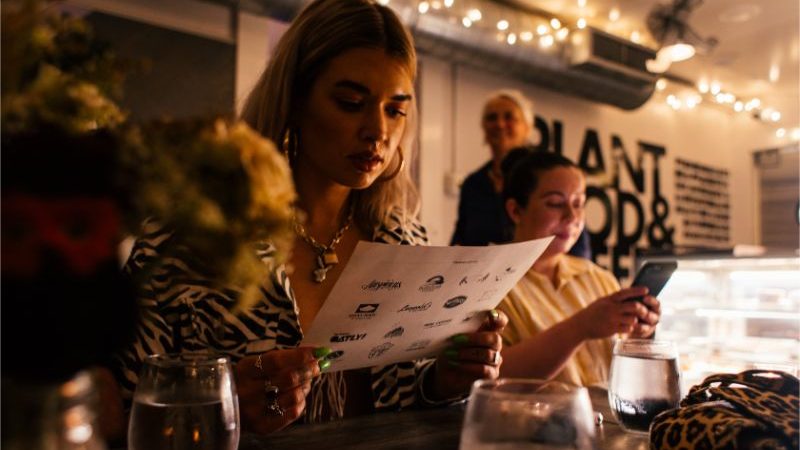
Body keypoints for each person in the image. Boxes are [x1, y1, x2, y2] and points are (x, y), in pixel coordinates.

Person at [111, 0, 506, 437]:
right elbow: (120, 409)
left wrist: (444, 383)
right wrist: (219, 408)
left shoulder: (404, 238)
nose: (377, 131)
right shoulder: (195, 233)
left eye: (395, 109)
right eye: (351, 102)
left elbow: (406, 401)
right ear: (295, 100)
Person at [496, 149, 660, 386]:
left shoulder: (598, 278)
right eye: (555, 203)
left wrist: (641, 333)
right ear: (515, 210)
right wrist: (581, 327)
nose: (572, 216)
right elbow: (492, 374)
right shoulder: (489, 284)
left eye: (579, 203)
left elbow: (626, 374)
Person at [450, 90, 591, 258]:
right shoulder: (473, 184)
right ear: (484, 128)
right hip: (483, 279)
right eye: (492, 118)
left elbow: (574, 237)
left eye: (509, 117)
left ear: (527, 127)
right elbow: (461, 239)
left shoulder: (549, 176)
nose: (500, 124)